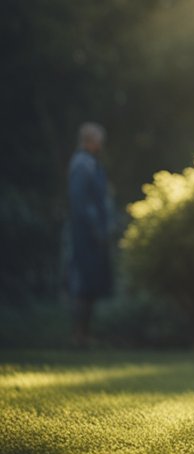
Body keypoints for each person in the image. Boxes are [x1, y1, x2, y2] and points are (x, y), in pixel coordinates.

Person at [66, 122, 113, 347]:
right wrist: (95, 229)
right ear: (89, 140)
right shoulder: (82, 165)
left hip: (93, 234)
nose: (100, 144)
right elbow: (81, 202)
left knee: (91, 286)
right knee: (83, 285)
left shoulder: (91, 164)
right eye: (98, 140)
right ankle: (78, 335)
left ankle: (84, 335)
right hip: (85, 236)